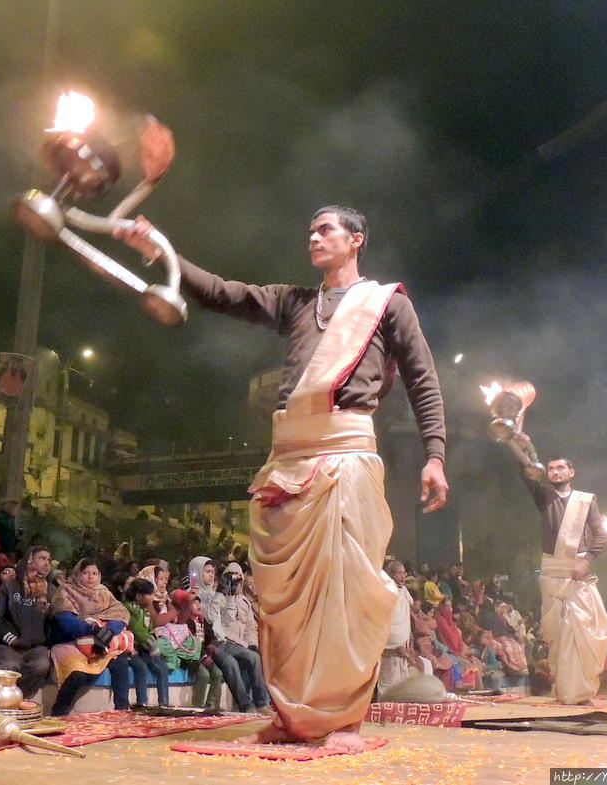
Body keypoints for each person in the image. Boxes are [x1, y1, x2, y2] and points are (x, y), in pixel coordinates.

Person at [120, 204, 448, 750]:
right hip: (288, 459)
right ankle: (292, 717)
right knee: (281, 601)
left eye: (326, 229)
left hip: (345, 459)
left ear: (356, 239)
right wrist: (160, 249)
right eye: (310, 231)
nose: (314, 237)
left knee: (343, 597)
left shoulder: (385, 304)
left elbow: (423, 380)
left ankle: (340, 720)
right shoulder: (294, 301)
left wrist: (434, 454)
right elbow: (222, 292)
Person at [518, 450, 607, 704]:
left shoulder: (585, 500)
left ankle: (582, 691)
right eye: (551, 469)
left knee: (583, 632)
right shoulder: (544, 497)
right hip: (552, 573)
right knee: (558, 637)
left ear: (571, 472)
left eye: (560, 468)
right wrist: (524, 448)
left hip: (577, 574)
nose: (555, 472)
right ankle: (564, 690)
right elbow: (527, 474)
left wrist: (586, 561)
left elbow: (601, 535)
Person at [188, 555, 272, 714]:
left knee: (253, 657)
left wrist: (231, 594)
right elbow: (210, 618)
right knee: (231, 664)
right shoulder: (193, 596)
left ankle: (263, 704)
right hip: (209, 645)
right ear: (197, 572)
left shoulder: (214, 593)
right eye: (207, 571)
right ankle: (246, 705)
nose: (211, 575)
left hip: (223, 642)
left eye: (213, 572)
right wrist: (221, 593)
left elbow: (227, 617)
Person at [48, 559, 133, 716]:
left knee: (119, 659)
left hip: (100, 640)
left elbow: (120, 613)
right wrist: (93, 629)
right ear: (77, 574)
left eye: (94, 573)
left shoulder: (104, 592)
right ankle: (59, 713)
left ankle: (122, 710)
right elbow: (67, 621)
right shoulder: (65, 591)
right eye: (85, 573)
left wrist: (108, 632)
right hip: (70, 642)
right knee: (77, 672)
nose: (90, 577)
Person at [0, 545, 58, 699]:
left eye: (49, 560)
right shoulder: (10, 586)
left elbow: (54, 623)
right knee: (10, 667)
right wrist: (13, 640)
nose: (47, 563)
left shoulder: (52, 591)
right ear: (30, 560)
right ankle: (3, 706)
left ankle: (18, 701)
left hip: (36, 647)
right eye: (42, 558)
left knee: (41, 666)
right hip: (7, 645)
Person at [123, 578, 171, 708]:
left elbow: (148, 629)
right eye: (150, 594)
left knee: (162, 667)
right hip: (131, 650)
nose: (152, 597)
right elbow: (138, 631)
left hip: (145, 649)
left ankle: (164, 703)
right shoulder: (129, 610)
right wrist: (151, 645)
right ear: (139, 596)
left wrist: (152, 639)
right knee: (141, 668)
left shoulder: (144, 611)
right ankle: (142, 703)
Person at [378, 561, 415, 697]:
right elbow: (388, 621)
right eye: (399, 573)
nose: (403, 576)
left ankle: (399, 716)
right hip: (390, 649)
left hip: (403, 646)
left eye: (404, 573)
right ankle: (385, 715)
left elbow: (407, 614)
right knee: (388, 686)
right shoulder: (386, 592)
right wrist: (397, 644)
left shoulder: (403, 591)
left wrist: (409, 643)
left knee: (402, 687)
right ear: (391, 574)